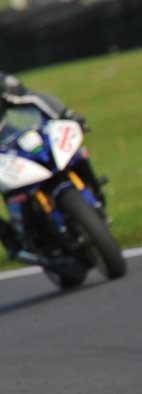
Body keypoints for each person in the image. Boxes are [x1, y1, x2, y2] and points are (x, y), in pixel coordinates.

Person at [0, 71, 88, 258]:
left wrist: (66, 116)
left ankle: (91, 189)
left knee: (72, 151)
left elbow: (29, 97)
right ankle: (11, 240)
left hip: (10, 134)